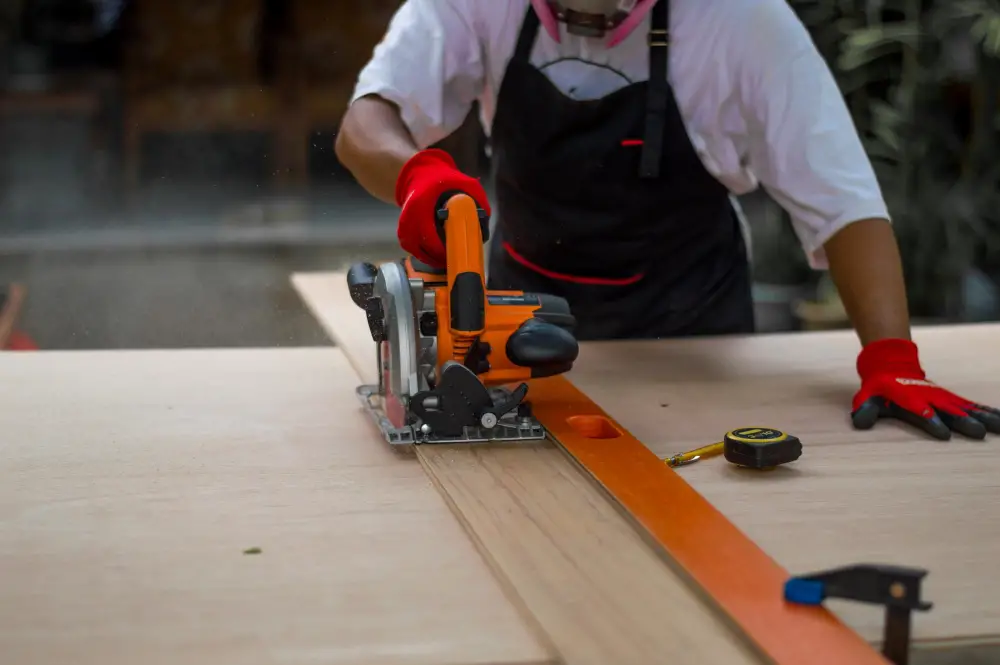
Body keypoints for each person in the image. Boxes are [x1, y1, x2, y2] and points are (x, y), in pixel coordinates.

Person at [334, 0, 1000, 441]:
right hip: (521, 319)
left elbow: (844, 198)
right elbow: (366, 122)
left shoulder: (742, 20)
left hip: (694, 335)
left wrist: (891, 356)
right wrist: (414, 174)